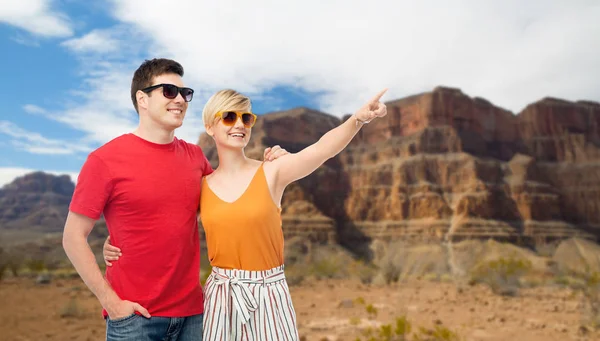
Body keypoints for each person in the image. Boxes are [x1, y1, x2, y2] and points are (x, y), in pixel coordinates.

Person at [104, 87, 388, 340]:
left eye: (246, 118)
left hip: (270, 296)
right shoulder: (200, 186)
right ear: (210, 127)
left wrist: (357, 120)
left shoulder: (272, 172)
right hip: (220, 298)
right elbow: (160, 222)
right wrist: (115, 242)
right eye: (229, 117)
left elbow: (322, 149)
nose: (239, 124)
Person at [62, 58, 288, 341]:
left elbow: (232, 195)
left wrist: (271, 164)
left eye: (185, 93)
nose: (180, 99)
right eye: (169, 91)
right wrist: (113, 304)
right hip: (135, 320)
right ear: (142, 99)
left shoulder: (195, 157)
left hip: (195, 317)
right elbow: (72, 237)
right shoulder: (104, 161)